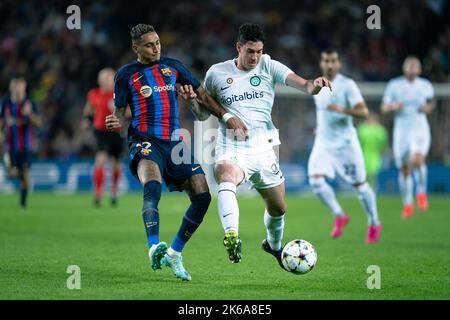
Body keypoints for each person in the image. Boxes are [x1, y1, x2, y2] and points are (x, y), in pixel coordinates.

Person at [105, 24, 247, 281]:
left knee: (202, 196)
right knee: (153, 185)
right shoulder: (126, 75)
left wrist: (226, 117)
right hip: (144, 139)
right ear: (135, 48)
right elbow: (119, 113)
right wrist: (115, 122)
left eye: (157, 42)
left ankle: (174, 253)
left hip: (175, 142)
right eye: (149, 45)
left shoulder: (174, 67)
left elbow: (202, 96)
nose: (156, 48)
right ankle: (153, 247)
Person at [183, 23, 331, 265]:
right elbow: (202, 114)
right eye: (250, 51)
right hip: (232, 146)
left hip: (264, 148)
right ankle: (231, 234)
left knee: (278, 208)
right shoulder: (217, 73)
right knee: (226, 175)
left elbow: (304, 85)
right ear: (238, 47)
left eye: (259, 51)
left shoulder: (269, 65)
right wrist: (191, 102)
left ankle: (273, 246)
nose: (255, 57)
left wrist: (315, 84)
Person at [307, 49, 381, 244]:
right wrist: (319, 128)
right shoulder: (317, 85)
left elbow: (364, 112)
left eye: (333, 61)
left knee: (360, 186)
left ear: (339, 64)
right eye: (326, 61)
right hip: (323, 142)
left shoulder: (348, 85)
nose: (329, 65)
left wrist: (342, 109)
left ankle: (374, 221)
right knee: (315, 181)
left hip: (346, 144)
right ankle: (339, 214)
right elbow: (322, 112)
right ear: (321, 63)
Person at [381, 56, 434, 219]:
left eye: (415, 66)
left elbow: (431, 104)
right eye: (409, 66)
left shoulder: (426, 85)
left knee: (418, 160)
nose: (412, 68)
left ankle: (421, 193)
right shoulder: (394, 85)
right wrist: (392, 106)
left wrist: (428, 108)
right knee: (405, 169)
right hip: (402, 130)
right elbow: (384, 108)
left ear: (419, 69)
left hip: (420, 128)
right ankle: (408, 203)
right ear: (404, 68)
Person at [82, 68, 126, 207]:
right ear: (99, 80)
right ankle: (98, 192)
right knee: (101, 158)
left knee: (116, 163)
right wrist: (86, 121)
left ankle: (113, 190)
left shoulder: (119, 94)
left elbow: (129, 111)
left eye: (109, 77)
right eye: (104, 78)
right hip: (101, 130)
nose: (106, 80)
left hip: (117, 131)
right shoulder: (93, 94)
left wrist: (124, 116)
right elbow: (88, 110)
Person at [0, 78, 41, 208]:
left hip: (26, 145)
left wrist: (30, 115)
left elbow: (38, 124)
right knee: (11, 173)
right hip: (9, 145)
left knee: (24, 175)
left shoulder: (30, 103)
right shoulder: (5, 102)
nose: (17, 89)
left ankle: (22, 203)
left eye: (20, 87)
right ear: (11, 88)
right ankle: (18, 173)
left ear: (24, 88)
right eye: (15, 86)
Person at [357, 113, 388, 190]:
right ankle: (371, 189)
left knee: (365, 175)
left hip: (364, 155)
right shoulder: (380, 130)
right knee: (372, 175)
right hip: (374, 156)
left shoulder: (362, 129)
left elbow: (358, 142)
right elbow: (383, 144)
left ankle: (366, 190)